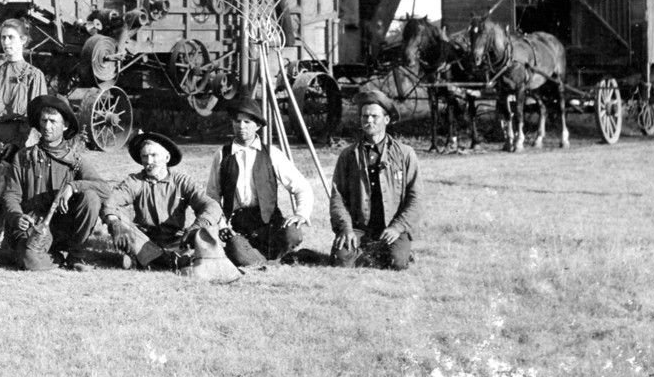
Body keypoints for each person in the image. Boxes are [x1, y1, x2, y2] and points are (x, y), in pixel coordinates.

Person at [1, 94, 109, 271]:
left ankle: (76, 256)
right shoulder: (23, 157)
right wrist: (17, 216)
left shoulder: (76, 160)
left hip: (64, 227)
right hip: (34, 226)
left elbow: (104, 188)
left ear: (65, 126)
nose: (47, 126)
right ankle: (55, 258)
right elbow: (11, 194)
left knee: (91, 197)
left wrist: (73, 186)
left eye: (53, 121)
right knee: (30, 261)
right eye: (43, 121)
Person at [207, 97, 315, 267]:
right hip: (239, 226)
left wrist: (301, 214)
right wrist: (221, 224)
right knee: (237, 249)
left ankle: (263, 260)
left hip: (270, 224)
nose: (241, 126)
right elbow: (212, 195)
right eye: (237, 121)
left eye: (247, 122)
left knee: (293, 234)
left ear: (257, 125)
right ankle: (272, 261)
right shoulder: (222, 154)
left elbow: (302, 187)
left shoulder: (272, 154)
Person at [330, 88, 422, 270]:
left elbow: (416, 198)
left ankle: (399, 253)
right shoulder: (348, 155)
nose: (369, 121)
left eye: (374, 116)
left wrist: (397, 227)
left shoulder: (405, 154)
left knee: (396, 263)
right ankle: (369, 252)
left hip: (391, 227)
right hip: (359, 228)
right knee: (341, 261)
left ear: (386, 120)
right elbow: (337, 197)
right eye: (365, 116)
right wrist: (346, 229)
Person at [104, 131, 223, 271]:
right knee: (118, 219)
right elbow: (111, 202)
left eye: (154, 155)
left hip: (176, 241)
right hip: (143, 239)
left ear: (167, 157)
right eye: (144, 156)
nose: (149, 162)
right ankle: (164, 260)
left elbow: (211, 206)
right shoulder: (135, 181)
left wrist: (195, 228)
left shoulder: (182, 181)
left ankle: (148, 260)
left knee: (207, 228)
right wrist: (114, 222)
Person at [0, 18, 48, 172]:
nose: (6, 42)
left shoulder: (34, 76)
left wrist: (16, 144)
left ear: (23, 40)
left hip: (22, 146)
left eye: (11, 37)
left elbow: (37, 117)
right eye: (3, 37)